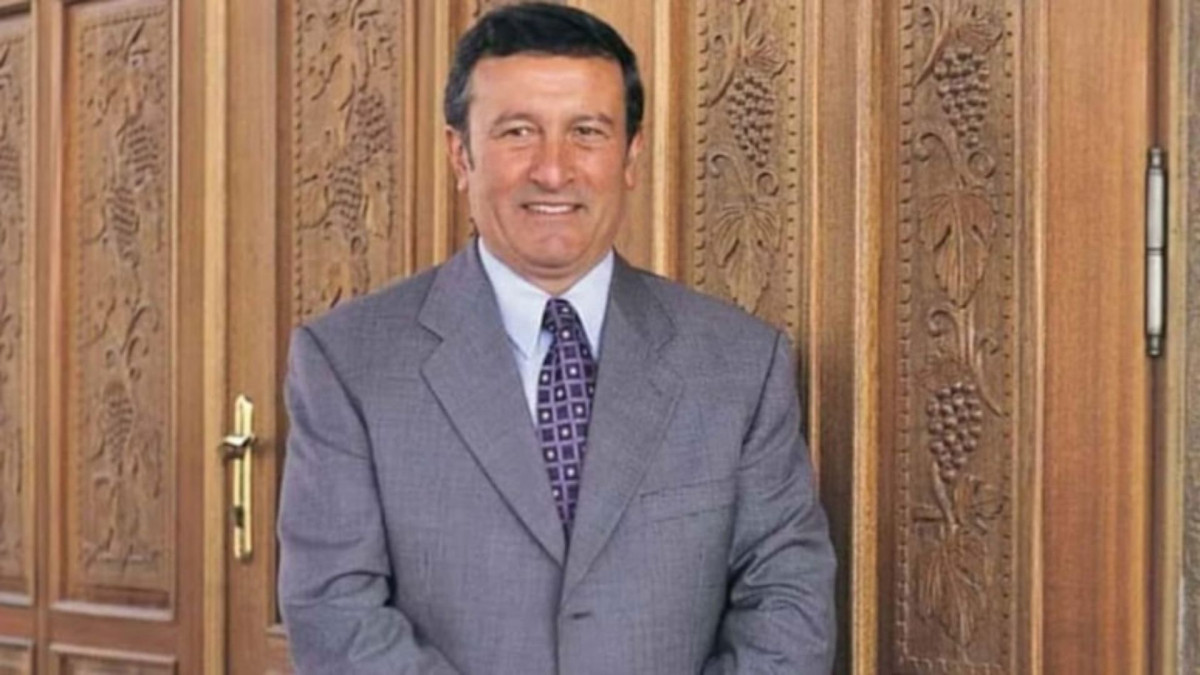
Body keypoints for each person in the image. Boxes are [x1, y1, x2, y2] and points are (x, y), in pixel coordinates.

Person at [277, 3, 836, 673]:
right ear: (460, 154)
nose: (553, 169)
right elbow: (336, 616)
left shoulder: (740, 364)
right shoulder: (348, 363)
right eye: (518, 132)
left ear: (630, 155)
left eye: (587, 132)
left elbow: (787, 602)